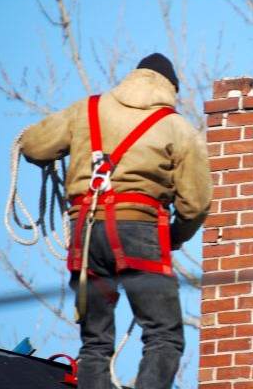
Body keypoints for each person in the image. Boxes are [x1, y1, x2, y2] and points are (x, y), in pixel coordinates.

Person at [20, 53, 212, 389]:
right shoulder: (176, 126)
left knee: (95, 341)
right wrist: (175, 235)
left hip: (87, 232)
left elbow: (34, 146)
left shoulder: (87, 109)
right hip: (140, 232)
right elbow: (196, 204)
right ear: (171, 89)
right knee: (163, 335)